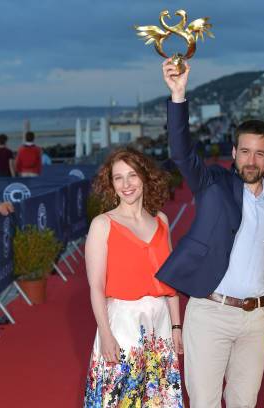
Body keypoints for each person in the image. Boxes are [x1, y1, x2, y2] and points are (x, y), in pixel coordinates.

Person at [156, 59, 264, 407]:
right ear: (233, 153)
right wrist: (178, 95)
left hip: (257, 319)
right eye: (244, 151)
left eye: (259, 154)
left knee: (244, 403)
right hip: (211, 313)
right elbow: (182, 153)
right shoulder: (213, 183)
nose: (251, 160)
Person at [84, 147, 183, 407]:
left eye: (132, 175)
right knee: (120, 398)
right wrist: (105, 334)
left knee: (158, 398)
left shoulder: (161, 221)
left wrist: (176, 326)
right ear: (111, 184)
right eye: (118, 178)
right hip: (123, 323)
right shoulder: (102, 224)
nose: (126, 184)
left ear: (144, 177)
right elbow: (95, 286)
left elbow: (170, 280)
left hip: (160, 323)